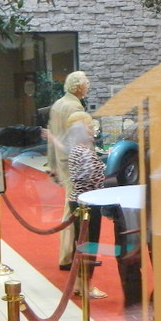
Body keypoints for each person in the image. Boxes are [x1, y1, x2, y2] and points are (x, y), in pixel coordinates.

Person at [46, 70, 90, 270]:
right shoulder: (75, 107)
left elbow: (52, 136)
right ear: (78, 86)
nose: (88, 85)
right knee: (72, 208)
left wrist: (52, 164)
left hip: (62, 160)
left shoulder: (57, 104)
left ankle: (69, 254)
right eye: (86, 82)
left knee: (70, 205)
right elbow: (79, 138)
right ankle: (66, 256)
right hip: (74, 162)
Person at [64, 111, 107, 299]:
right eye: (89, 127)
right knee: (89, 245)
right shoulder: (84, 152)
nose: (92, 131)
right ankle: (87, 287)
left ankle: (78, 284)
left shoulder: (75, 150)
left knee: (80, 244)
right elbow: (98, 180)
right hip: (88, 204)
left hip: (77, 200)